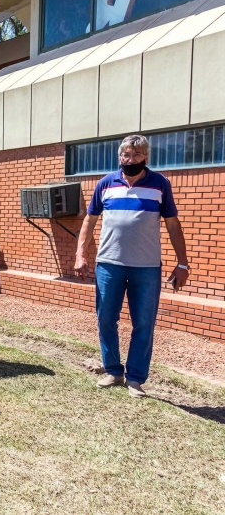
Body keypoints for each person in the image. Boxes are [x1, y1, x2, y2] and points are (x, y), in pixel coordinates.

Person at [75, 135, 189, 398]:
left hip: (146, 267)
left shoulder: (160, 184)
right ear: (120, 157)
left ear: (145, 157)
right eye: (126, 155)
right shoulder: (105, 183)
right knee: (105, 319)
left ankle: (135, 379)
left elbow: (173, 224)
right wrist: (81, 254)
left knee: (144, 323)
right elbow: (89, 221)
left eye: (136, 155)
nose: (130, 160)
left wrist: (182, 263)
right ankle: (113, 371)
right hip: (109, 265)